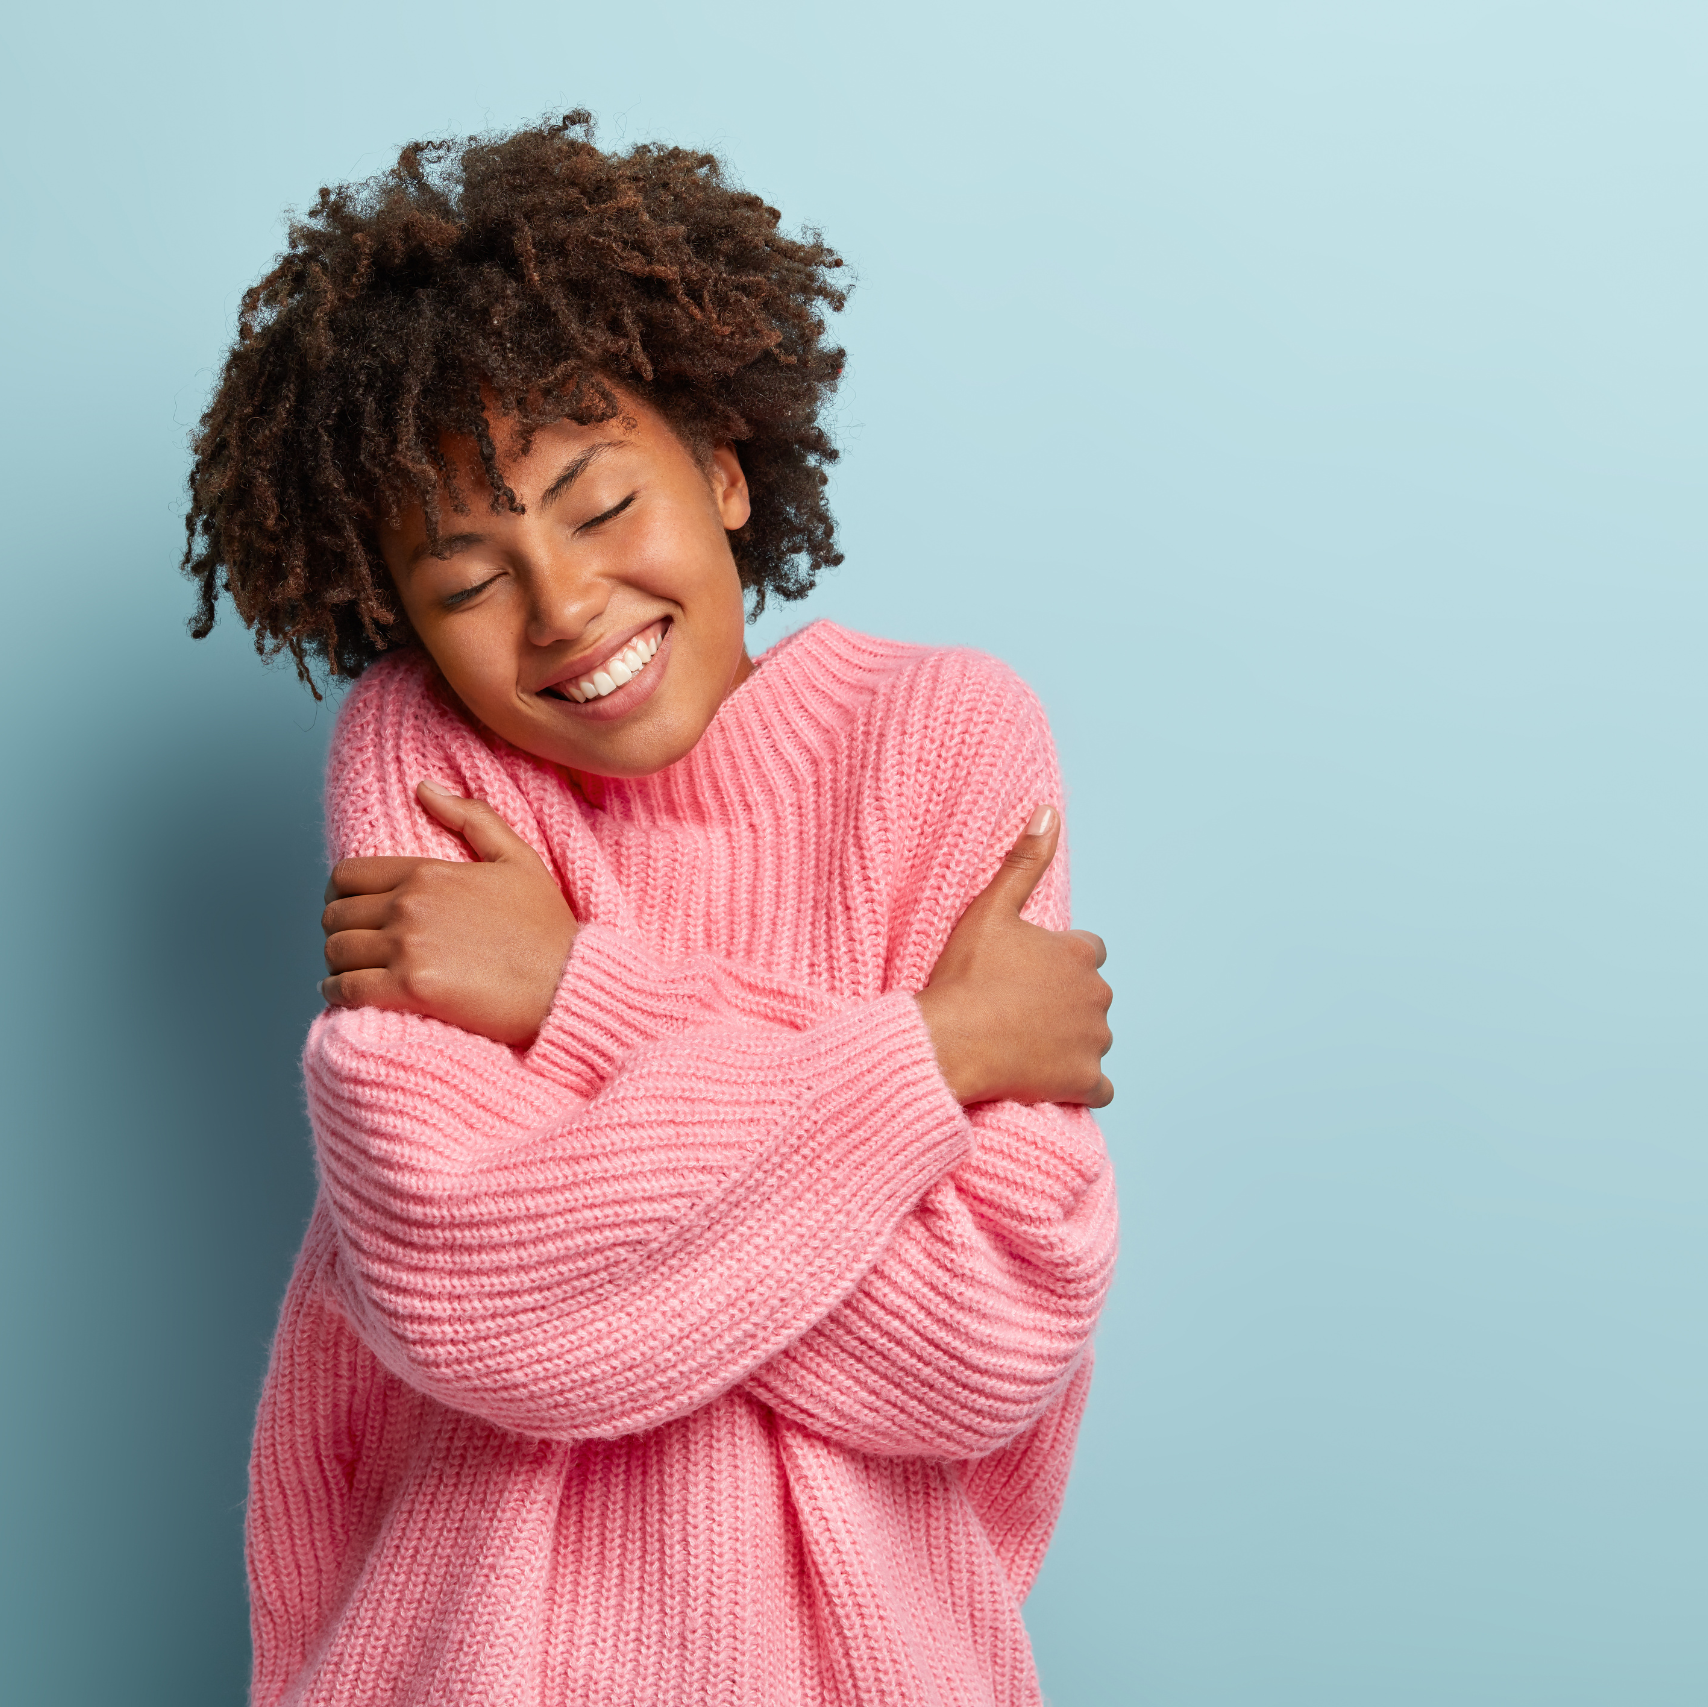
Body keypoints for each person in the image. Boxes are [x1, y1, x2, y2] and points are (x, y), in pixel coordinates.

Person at [185, 112, 1119, 1707]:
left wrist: (576, 991)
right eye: (467, 582)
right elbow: (464, 1283)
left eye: (602, 506)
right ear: (399, 621)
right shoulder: (424, 755)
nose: (562, 610)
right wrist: (927, 1059)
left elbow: (988, 1329)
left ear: (730, 469)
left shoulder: (950, 737)